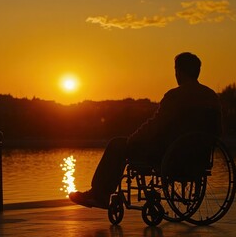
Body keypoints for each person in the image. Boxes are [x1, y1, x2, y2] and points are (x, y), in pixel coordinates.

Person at [69, 52, 222, 209]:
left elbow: (156, 124)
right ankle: (100, 193)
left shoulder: (175, 96)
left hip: (168, 155)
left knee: (117, 145)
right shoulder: (211, 97)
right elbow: (217, 130)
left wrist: (133, 139)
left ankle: (99, 194)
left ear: (179, 71)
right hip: (198, 158)